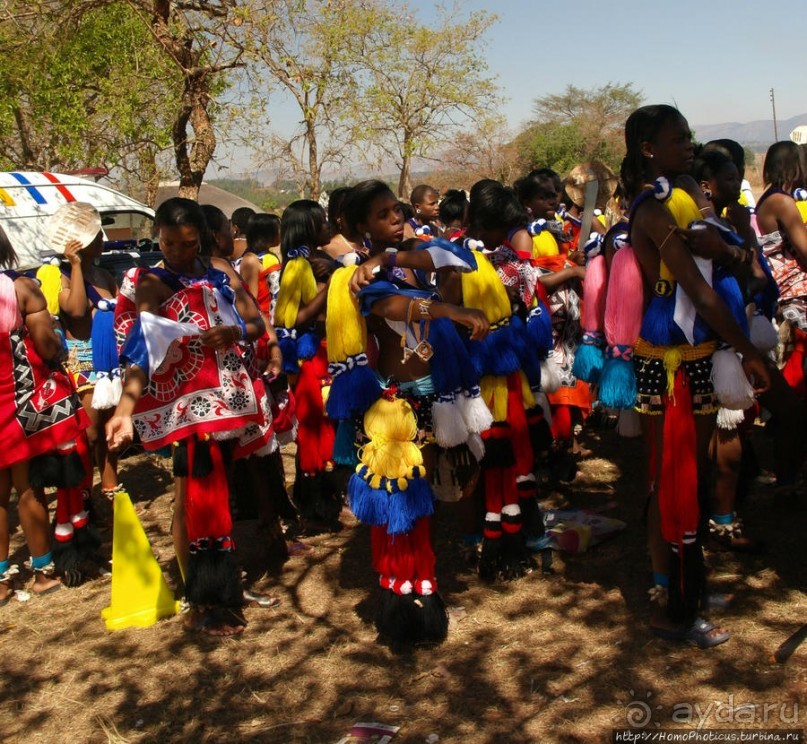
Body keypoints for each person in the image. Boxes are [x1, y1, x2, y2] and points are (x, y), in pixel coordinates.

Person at [621, 104, 770, 648]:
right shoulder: (656, 212)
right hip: (669, 364)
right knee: (670, 479)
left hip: (696, 356)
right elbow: (701, 295)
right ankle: (670, 602)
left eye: (689, 136)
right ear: (647, 149)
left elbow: (725, 263)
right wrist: (752, 354)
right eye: (677, 137)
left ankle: (687, 584)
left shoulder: (684, 202)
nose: (689, 144)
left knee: (693, 475)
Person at [107, 197, 276, 636]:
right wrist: (125, 411)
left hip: (231, 402)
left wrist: (235, 331)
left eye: (187, 243)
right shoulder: (152, 284)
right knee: (195, 498)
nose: (178, 252)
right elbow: (142, 353)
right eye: (168, 243)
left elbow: (256, 322)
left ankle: (222, 586)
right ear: (157, 238)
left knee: (220, 495)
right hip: (187, 412)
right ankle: (203, 596)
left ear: (201, 237)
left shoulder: (219, 269)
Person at [0, 224, 89, 604]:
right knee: (28, 491)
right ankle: (42, 571)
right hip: (15, 408)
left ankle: (1, 581)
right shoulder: (20, 290)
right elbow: (48, 345)